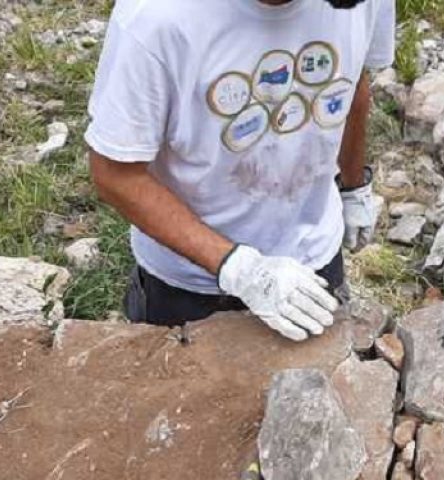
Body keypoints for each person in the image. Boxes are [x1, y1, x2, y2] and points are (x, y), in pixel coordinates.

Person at [85, 0, 395, 341]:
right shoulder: (155, 18)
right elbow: (114, 174)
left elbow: (353, 81)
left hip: (312, 256)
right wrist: (241, 270)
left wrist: (353, 186)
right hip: (189, 283)